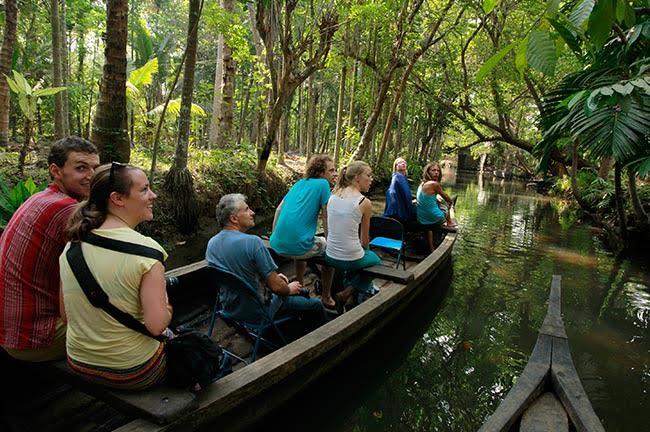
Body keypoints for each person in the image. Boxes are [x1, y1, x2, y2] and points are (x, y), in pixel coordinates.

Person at [59, 162, 171, 390]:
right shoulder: (148, 253)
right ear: (118, 199)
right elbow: (156, 326)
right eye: (144, 189)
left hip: (78, 363)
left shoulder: (72, 246)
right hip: (133, 372)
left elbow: (66, 317)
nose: (153, 195)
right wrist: (168, 307)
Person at [0, 136, 99, 362]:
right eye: (81, 168)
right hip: (33, 338)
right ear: (56, 171)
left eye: (95, 167)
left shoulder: (40, 197)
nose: (92, 175)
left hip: (9, 328)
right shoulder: (68, 211)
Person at [206, 194, 327, 329]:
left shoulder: (212, 244)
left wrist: (272, 280)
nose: (252, 212)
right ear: (234, 219)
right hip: (259, 311)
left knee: (290, 288)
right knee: (315, 305)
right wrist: (287, 289)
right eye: (246, 209)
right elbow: (278, 288)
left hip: (231, 308)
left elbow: (240, 275)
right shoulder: (253, 242)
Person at [270, 154, 337, 310]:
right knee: (330, 254)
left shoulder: (299, 183)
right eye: (331, 170)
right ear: (321, 173)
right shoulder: (323, 185)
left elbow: (279, 209)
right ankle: (326, 296)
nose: (335, 173)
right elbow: (326, 216)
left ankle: (298, 285)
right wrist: (331, 242)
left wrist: (274, 236)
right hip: (299, 246)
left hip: (277, 244)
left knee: (304, 239)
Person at [325, 161, 381, 309]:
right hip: (350, 259)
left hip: (329, 255)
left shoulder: (333, 195)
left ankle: (350, 297)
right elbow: (364, 240)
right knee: (375, 260)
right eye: (368, 175)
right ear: (357, 178)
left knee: (356, 254)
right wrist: (366, 251)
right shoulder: (364, 202)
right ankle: (347, 292)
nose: (371, 179)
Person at [416, 162, 455, 252]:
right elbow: (446, 197)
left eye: (438, 170)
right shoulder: (434, 184)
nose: (436, 172)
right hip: (435, 218)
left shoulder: (422, 183)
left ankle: (431, 247)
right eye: (433, 170)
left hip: (422, 219)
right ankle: (449, 222)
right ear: (428, 172)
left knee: (429, 226)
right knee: (446, 203)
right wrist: (451, 202)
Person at [383, 157, 415, 223]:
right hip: (397, 211)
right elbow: (392, 193)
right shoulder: (397, 177)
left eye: (404, 162)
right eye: (400, 162)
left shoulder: (403, 177)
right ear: (396, 166)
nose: (403, 164)